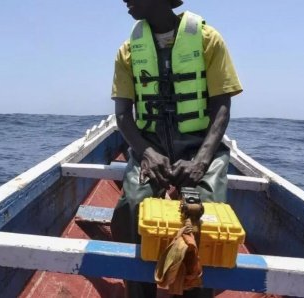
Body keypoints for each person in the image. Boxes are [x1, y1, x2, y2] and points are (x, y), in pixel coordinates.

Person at [110, 0, 243, 296]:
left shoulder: (209, 40)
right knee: (131, 207)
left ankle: (198, 290)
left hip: (200, 148)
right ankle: (139, 290)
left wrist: (200, 161)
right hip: (150, 147)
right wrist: (146, 152)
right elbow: (122, 115)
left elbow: (221, 106)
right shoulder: (127, 51)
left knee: (206, 215)